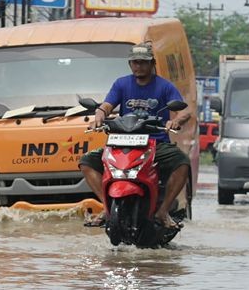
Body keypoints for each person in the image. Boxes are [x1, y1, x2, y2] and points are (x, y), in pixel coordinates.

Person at [79, 43, 193, 228]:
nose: (138, 66)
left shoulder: (164, 86)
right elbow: (106, 106)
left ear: (152, 63)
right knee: (86, 161)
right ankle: (106, 207)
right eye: (135, 62)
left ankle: (163, 211)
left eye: (143, 62)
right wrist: (99, 117)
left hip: (156, 142)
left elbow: (184, 111)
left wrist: (176, 121)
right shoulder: (121, 84)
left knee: (182, 163)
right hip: (122, 141)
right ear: (130, 64)